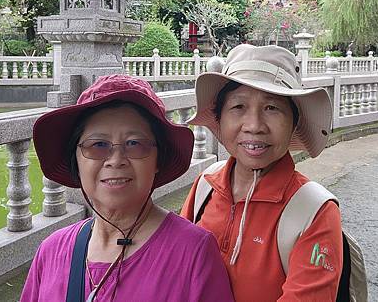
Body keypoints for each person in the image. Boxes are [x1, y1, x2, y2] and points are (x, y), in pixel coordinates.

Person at [21, 74, 234, 302]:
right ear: (77, 159)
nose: (116, 160)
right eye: (98, 145)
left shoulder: (193, 252)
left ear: (157, 160)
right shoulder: (52, 251)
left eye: (134, 143)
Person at [181, 44, 343, 301]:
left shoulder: (314, 212)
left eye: (272, 108)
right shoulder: (205, 186)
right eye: (238, 107)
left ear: (294, 122)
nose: (254, 126)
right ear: (219, 119)